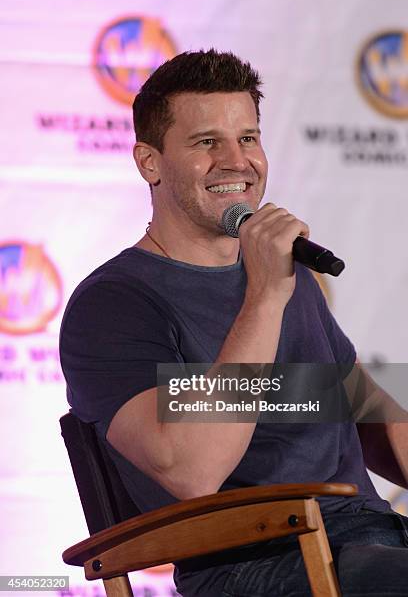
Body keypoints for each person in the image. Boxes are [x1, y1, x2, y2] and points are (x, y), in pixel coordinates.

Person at [60, 49, 408, 596]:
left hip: (375, 543)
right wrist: (266, 296)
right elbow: (192, 473)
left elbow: (360, 404)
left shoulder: (290, 278)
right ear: (149, 162)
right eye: (206, 143)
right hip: (260, 566)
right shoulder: (113, 305)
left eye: (247, 138)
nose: (236, 161)